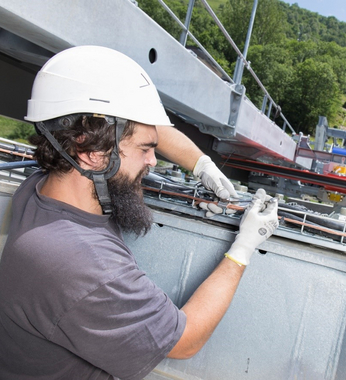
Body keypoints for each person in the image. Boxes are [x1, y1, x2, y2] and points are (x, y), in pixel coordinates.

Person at [0, 45, 278, 379]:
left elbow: (130, 129)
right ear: (89, 152)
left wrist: (201, 164)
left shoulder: (39, 188)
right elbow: (185, 342)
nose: (154, 160)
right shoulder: (86, 266)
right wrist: (243, 249)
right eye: (146, 150)